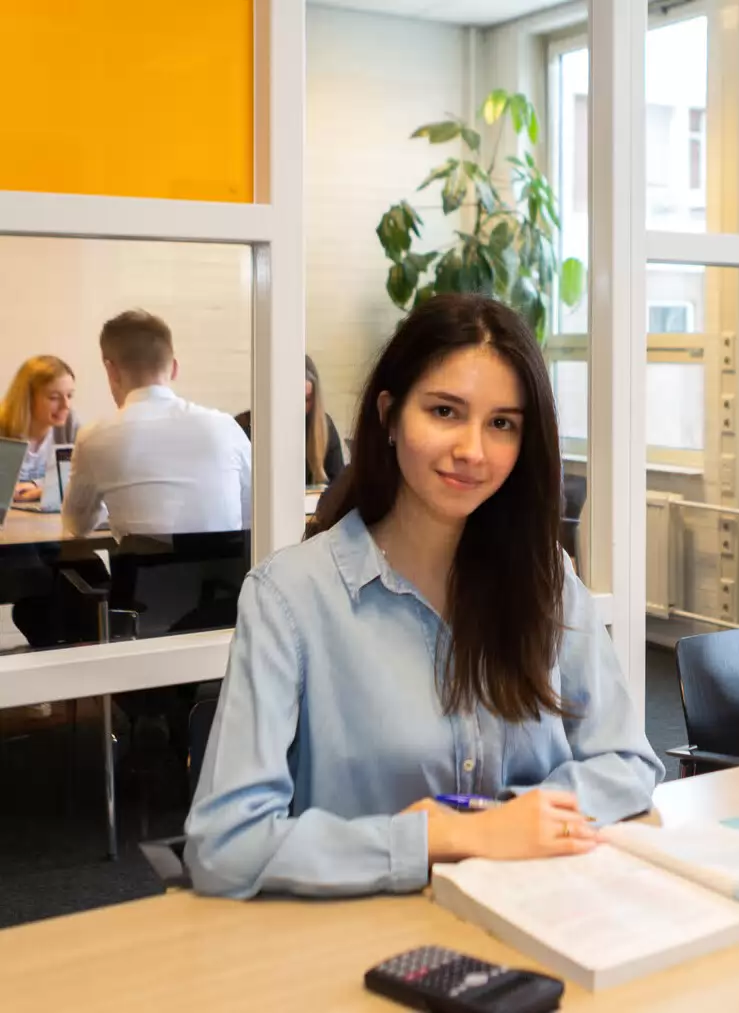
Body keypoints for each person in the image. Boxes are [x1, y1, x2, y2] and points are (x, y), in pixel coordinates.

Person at [185, 294, 662, 899]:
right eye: (444, 411)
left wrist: (518, 818)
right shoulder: (291, 599)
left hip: (535, 912)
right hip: (356, 941)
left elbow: (627, 763)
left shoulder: (546, 581)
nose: (473, 450)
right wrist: (445, 838)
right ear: (389, 416)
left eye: (502, 424)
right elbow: (227, 844)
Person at [61, 310, 252, 538]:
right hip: (227, 572)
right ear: (174, 367)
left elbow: (77, 525)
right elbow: (252, 509)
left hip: (143, 573)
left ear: (111, 370)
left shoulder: (94, 437)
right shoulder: (225, 426)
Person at [233, 354, 346, 486]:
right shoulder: (245, 427)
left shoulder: (324, 428)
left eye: (307, 399)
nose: (300, 407)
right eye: (293, 397)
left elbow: (338, 487)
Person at [0, 355, 78, 502]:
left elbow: (82, 477)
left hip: (46, 519)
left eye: (70, 395)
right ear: (27, 398)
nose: (66, 405)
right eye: (54, 397)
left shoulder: (70, 424)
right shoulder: (3, 427)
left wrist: (38, 486)